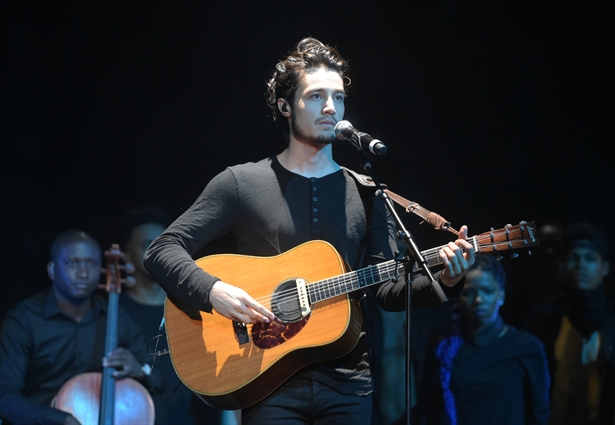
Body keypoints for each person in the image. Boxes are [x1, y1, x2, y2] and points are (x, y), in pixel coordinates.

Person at [143, 37, 474, 424]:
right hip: (266, 376)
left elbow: (386, 290)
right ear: (285, 106)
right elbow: (162, 249)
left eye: (338, 97)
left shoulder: (367, 193)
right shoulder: (241, 183)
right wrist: (213, 290)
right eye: (316, 96)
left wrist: (449, 279)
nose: (331, 107)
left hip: (349, 380)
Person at [0, 229, 148, 425]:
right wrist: (60, 420)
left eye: (92, 264)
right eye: (72, 263)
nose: (84, 273)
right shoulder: (24, 321)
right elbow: (5, 396)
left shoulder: (114, 316)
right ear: (52, 270)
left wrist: (141, 369)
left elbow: (159, 375)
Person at [116, 206, 239, 425]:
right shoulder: (116, 312)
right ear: (127, 255)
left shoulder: (191, 308)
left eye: (161, 246)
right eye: (147, 246)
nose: (157, 253)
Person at [414, 254, 550, 425]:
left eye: (487, 291)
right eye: (470, 292)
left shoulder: (526, 347)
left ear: (501, 295)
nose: (479, 300)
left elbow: (539, 414)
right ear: (460, 297)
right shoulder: (445, 347)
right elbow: (430, 409)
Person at [523, 221, 615, 425]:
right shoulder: (542, 322)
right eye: (573, 258)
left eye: (590, 258)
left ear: (605, 267)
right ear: (562, 266)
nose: (581, 264)